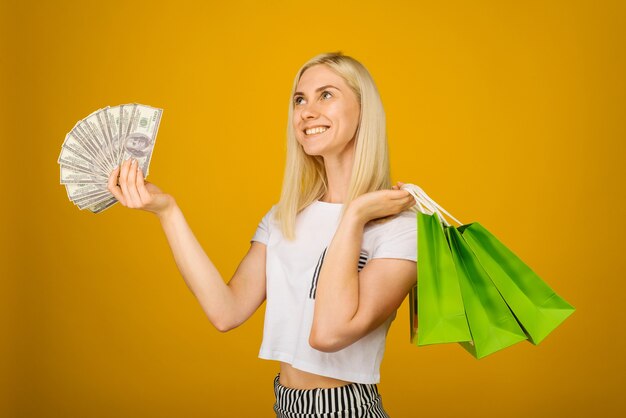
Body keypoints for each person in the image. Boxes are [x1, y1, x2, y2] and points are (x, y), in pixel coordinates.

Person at [107, 51, 417, 418]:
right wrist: (167, 211)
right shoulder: (284, 218)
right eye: (299, 99)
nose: (306, 111)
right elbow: (226, 311)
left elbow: (328, 334)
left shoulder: (399, 227)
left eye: (326, 95)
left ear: (363, 110)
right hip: (285, 405)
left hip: (346, 409)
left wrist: (354, 216)